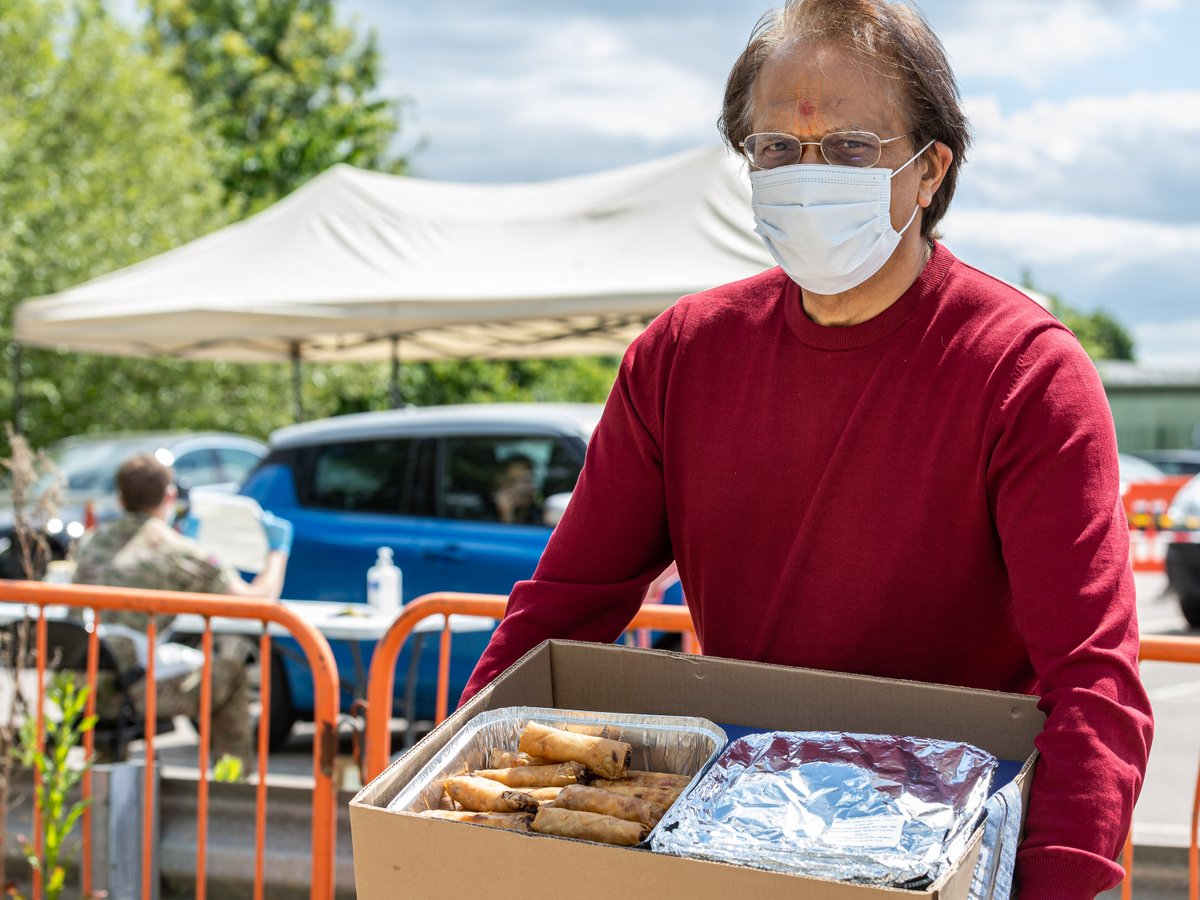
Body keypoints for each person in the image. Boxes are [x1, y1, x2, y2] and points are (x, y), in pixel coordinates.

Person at [461, 2, 1152, 897]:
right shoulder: (682, 357)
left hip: (949, 852)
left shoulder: (1024, 372)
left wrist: (1059, 880)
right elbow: (561, 607)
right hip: (738, 837)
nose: (807, 171)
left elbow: (1094, 683)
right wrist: (439, 789)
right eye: (776, 148)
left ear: (929, 171)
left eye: (852, 147)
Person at [71, 452, 293, 764]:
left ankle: (108, 775)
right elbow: (257, 602)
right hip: (134, 689)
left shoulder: (91, 544)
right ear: (170, 496)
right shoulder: (178, 551)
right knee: (230, 674)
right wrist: (278, 552)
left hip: (82, 684)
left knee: (125, 670)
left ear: (120, 498)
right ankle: (231, 786)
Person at [492, 454, 541, 524]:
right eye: (513, 481)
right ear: (501, 484)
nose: (521, 488)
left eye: (527, 481)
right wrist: (506, 515)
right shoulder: (480, 516)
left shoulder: (541, 514)